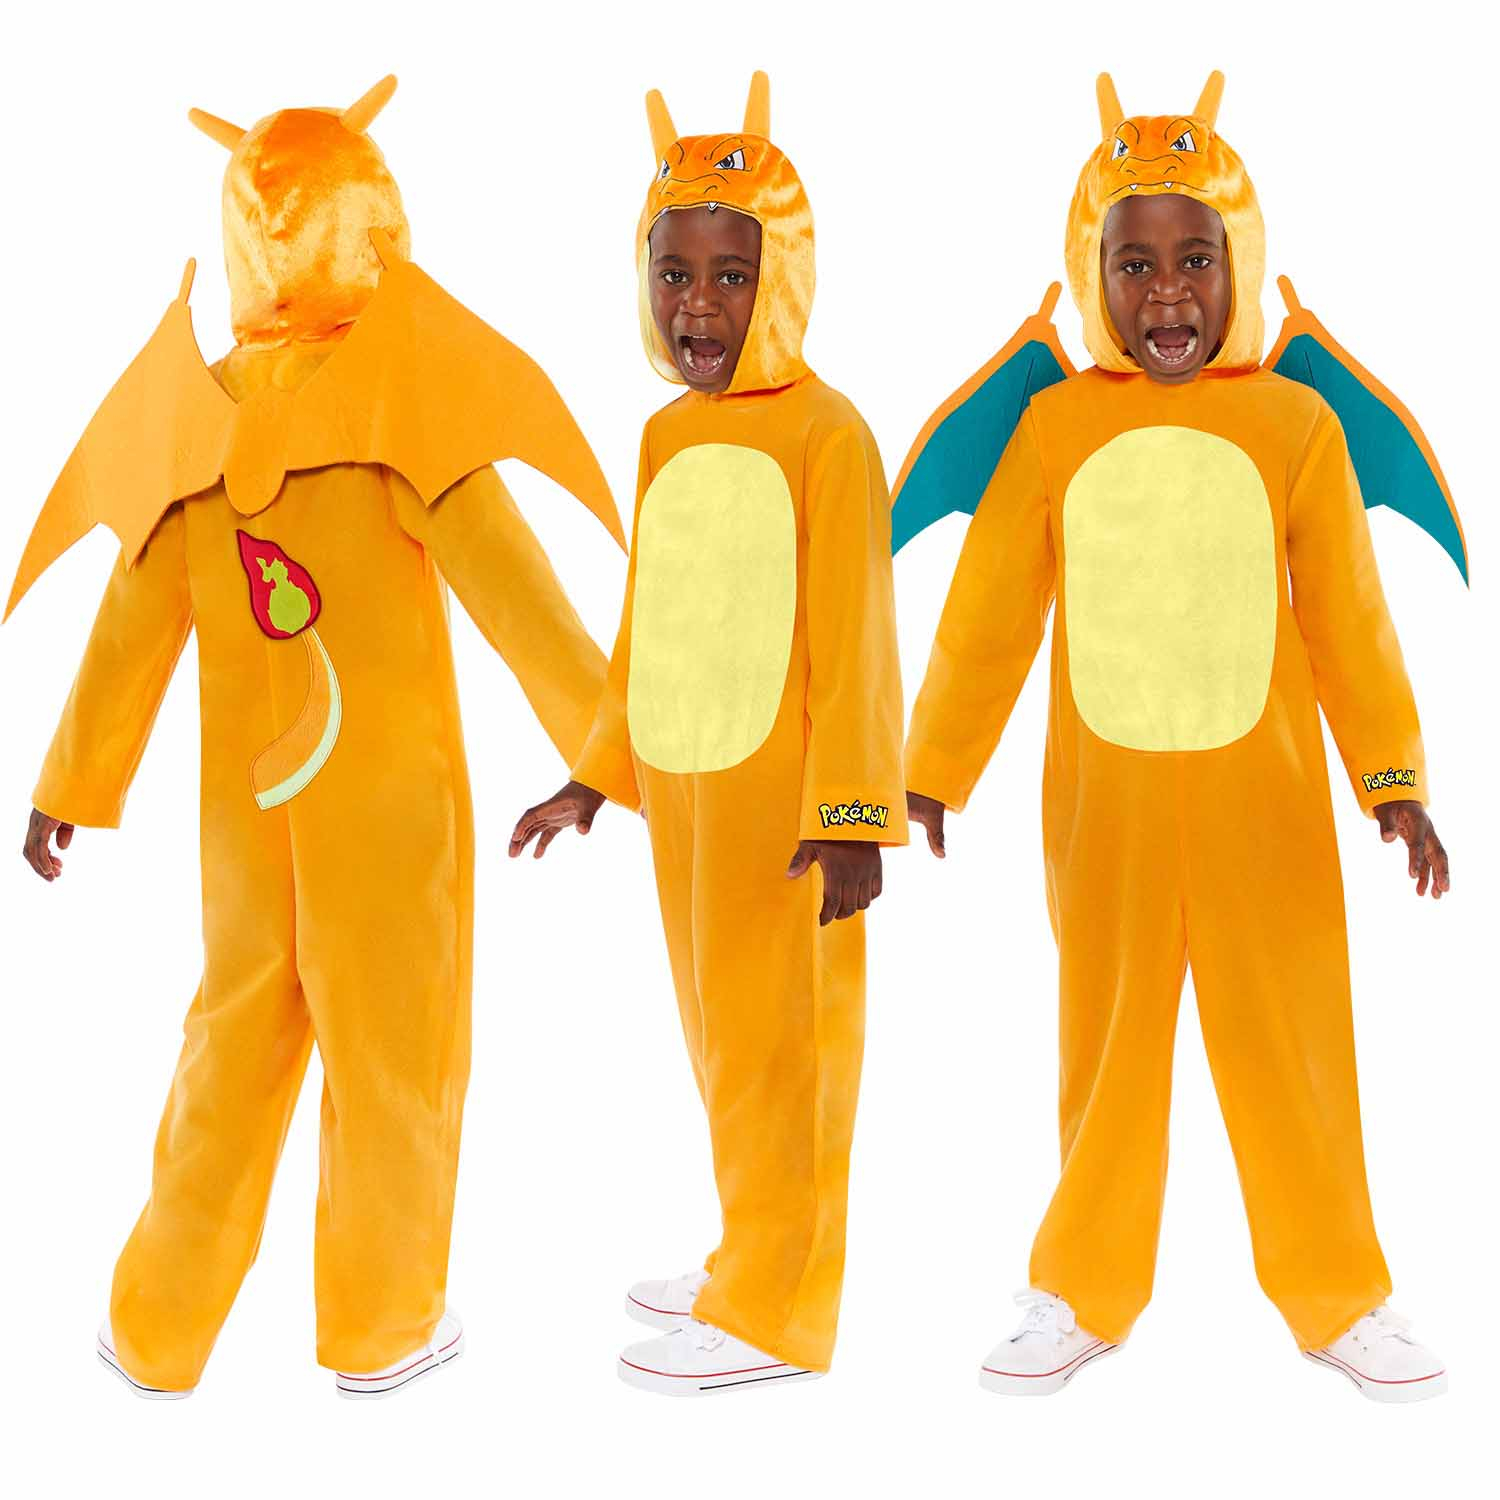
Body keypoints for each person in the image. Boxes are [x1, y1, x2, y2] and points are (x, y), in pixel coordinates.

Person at [13, 75, 623, 1400]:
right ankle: (382, 1327)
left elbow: (132, 623)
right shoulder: (402, 398)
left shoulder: (195, 418)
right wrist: (607, 749)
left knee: (234, 1037)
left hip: (247, 816)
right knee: (394, 1054)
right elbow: (516, 592)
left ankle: (154, 1327)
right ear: (372, 224)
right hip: (385, 814)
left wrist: (71, 780)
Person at [893, 70, 1463, 1404]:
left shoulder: (1296, 423)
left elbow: (1350, 620)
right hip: (1109, 819)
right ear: (1089, 270)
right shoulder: (1053, 426)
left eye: (1195, 260)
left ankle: (1342, 1294)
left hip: (1271, 816)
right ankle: (1081, 1288)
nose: (1165, 295)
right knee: (1104, 1052)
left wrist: (1393, 782)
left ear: (1240, 260)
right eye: (1134, 262)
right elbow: (989, 614)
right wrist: (931, 771)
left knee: (1297, 1051)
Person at [510, 72, 907, 1396]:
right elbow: (647, 623)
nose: (698, 307)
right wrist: (591, 777)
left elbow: (858, 638)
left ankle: (777, 1312)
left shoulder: (829, 436)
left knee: (788, 1054)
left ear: (783, 279)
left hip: (789, 814)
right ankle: (752, 1247)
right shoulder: (662, 439)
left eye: (732, 278)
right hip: (682, 792)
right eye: (673, 275)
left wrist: (852, 815)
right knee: (721, 1043)